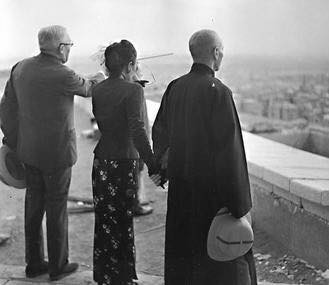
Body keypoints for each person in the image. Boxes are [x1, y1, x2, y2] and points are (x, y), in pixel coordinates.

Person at [152, 29, 257, 285]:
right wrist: (239, 205)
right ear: (215, 53)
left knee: (184, 260)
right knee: (216, 265)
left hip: (181, 193)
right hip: (212, 199)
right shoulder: (219, 92)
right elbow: (230, 152)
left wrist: (163, 169)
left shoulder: (174, 87)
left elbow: (160, 135)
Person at [0, 25, 104, 281]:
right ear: (60, 48)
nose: (70, 48)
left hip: (28, 152)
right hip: (57, 155)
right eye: (69, 44)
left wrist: (13, 141)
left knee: (33, 207)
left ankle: (34, 263)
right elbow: (89, 88)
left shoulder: (20, 68)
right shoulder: (63, 73)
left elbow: (5, 108)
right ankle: (58, 266)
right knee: (56, 208)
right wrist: (101, 76)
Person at [91, 40, 160, 285]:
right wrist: (152, 163)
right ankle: (122, 277)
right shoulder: (134, 91)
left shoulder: (98, 90)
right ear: (131, 64)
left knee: (105, 220)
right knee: (122, 220)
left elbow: (107, 121)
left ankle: (104, 275)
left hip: (101, 161)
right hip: (124, 162)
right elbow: (138, 131)